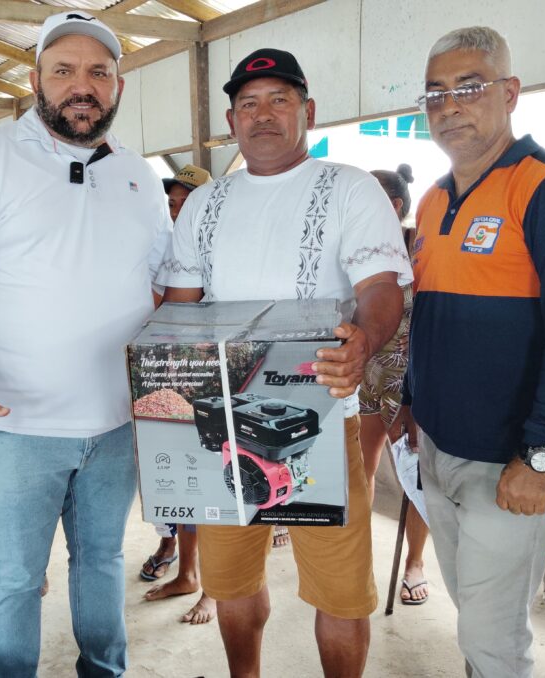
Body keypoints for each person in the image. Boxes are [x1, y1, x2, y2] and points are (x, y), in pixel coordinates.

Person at [0, 11, 172, 677]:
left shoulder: (139, 174)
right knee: (16, 576)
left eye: (98, 72)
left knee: (102, 560)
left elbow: (164, 284)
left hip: (116, 422)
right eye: (64, 71)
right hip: (16, 424)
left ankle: (105, 670)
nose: (82, 86)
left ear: (117, 86)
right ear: (35, 81)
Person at [158, 48, 412, 677]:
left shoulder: (350, 187)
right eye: (248, 104)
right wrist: (159, 386)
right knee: (230, 580)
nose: (263, 114)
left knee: (340, 591)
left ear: (309, 111)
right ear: (231, 121)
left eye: (280, 100)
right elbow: (179, 309)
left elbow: (382, 287)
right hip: (227, 421)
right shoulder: (204, 203)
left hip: (321, 419)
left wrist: (363, 341)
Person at [405, 26, 545, 677]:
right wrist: (413, 402)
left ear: (510, 92)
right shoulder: (435, 197)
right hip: (438, 448)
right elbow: (428, 316)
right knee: (473, 616)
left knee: (494, 640)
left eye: (469, 87)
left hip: (509, 460)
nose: (449, 106)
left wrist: (543, 454)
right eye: (435, 93)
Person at [139, 163, 218, 625]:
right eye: (172, 202)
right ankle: (186, 572)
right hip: (173, 373)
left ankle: (213, 589)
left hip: (213, 376)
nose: (178, 210)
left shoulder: (219, 242)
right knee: (183, 480)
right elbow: (153, 311)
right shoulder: (161, 246)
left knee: (215, 482)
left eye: (188, 202)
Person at [360, 164, 430, 605]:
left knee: (416, 479)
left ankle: (415, 563)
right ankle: (359, 558)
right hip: (367, 379)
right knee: (360, 471)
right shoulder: (356, 249)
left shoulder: (420, 250)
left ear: (395, 205)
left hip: (411, 384)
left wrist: (417, 397)